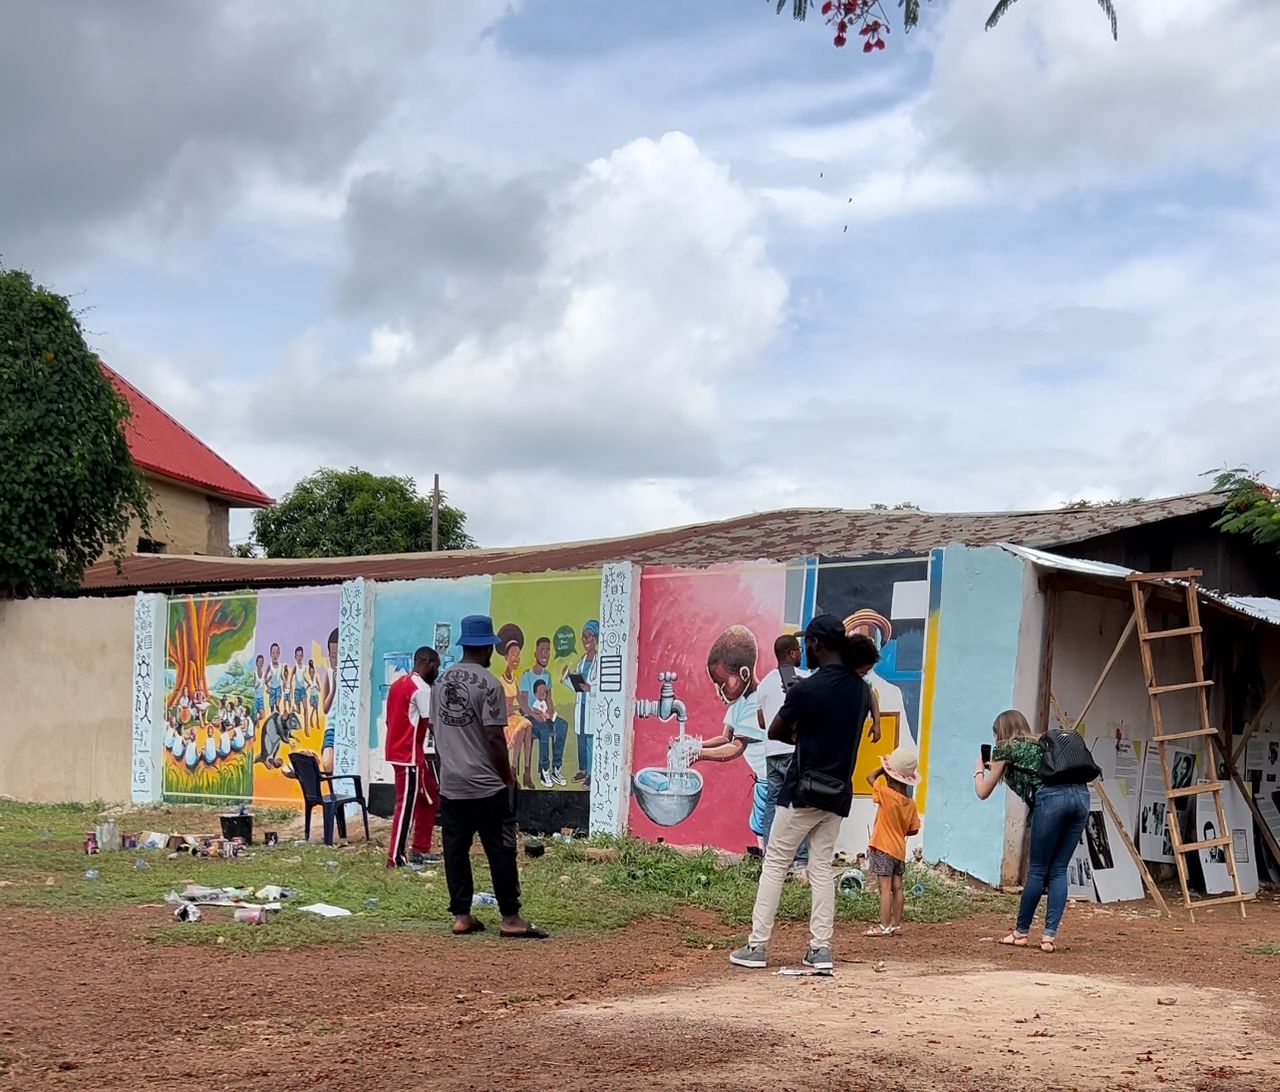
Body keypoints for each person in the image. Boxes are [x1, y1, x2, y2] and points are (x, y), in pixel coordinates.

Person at [731, 615, 879, 971]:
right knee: (822, 867)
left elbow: (777, 731)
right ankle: (820, 949)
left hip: (803, 791)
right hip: (839, 793)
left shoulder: (807, 689)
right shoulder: (859, 690)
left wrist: (801, 727)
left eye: (807, 643)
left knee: (776, 863)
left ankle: (757, 945)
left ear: (814, 644)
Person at [433, 615, 547, 939]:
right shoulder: (490, 685)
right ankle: (511, 918)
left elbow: (436, 732)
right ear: (487, 649)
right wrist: (507, 776)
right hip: (485, 785)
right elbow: (496, 738)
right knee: (500, 849)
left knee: (455, 849)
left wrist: (449, 766)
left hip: (451, 783)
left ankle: (461, 915)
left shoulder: (440, 683)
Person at [974, 710, 1088, 954]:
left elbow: (983, 791)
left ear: (1001, 732)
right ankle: (1048, 937)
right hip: (1081, 797)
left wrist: (979, 770)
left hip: (1052, 801)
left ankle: (1021, 933)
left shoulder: (1007, 748)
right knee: (1058, 870)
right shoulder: (1042, 743)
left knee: (1037, 871)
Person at [695, 626, 767, 850]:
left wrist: (699, 754)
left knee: (768, 823)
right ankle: (768, 860)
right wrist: (697, 744)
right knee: (760, 823)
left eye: (723, 684)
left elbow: (735, 748)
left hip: (776, 779)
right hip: (764, 779)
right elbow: (725, 738)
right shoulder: (739, 705)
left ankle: (774, 863)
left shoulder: (756, 702)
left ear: (744, 674)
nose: (719, 692)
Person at [757, 634, 811, 874]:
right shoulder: (806, 679)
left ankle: (771, 856)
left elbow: (761, 721)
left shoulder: (765, 683)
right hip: (794, 750)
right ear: (791, 654)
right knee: (799, 803)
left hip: (771, 752)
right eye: (798, 650)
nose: (801, 653)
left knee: (773, 802)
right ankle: (799, 860)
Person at [384, 646, 442, 868]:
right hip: (408, 756)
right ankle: (396, 858)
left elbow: (390, 720)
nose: (436, 671)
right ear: (427, 663)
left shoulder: (398, 684)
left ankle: (421, 848)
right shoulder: (421, 688)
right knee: (406, 805)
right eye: (436, 666)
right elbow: (432, 724)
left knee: (429, 795)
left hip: (402, 752)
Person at [863, 745, 922, 937]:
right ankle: (896, 924)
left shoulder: (885, 793)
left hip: (882, 847)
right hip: (899, 850)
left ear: (890, 776)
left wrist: (883, 767)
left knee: (885, 888)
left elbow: (870, 778)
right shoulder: (910, 804)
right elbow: (913, 830)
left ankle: (883, 926)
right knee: (898, 887)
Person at [520, 636, 568, 788]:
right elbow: (523, 703)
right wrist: (536, 715)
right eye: (542, 650)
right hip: (531, 716)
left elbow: (549, 699)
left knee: (562, 725)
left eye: (548, 650)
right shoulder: (527, 676)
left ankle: (556, 768)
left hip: (544, 714)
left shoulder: (547, 676)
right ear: (535, 653)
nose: (545, 653)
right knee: (544, 730)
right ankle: (544, 770)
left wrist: (551, 712)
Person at [496, 624, 535, 789]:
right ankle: (513, 770)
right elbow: (504, 709)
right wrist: (519, 709)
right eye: (513, 654)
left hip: (516, 718)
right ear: (506, 657)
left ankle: (526, 771)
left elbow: (522, 703)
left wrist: (534, 712)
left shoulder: (516, 679)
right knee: (522, 727)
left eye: (518, 654)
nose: (516, 658)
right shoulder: (501, 680)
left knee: (528, 726)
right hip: (505, 720)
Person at [566, 620, 599, 788]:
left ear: (596, 639)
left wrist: (590, 689)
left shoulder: (600, 661)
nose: (586, 640)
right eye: (584, 637)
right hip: (582, 706)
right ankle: (583, 770)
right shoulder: (582, 660)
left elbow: (604, 687)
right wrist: (567, 678)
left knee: (590, 741)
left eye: (590, 636)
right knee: (580, 738)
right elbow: (576, 686)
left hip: (592, 706)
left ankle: (592, 775)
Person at [319, 628, 339, 773]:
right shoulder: (328, 675)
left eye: (339, 655)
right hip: (331, 726)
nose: (336, 660)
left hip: (346, 727)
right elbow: (325, 709)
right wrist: (334, 688)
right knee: (327, 763)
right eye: (333, 656)